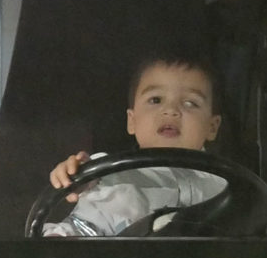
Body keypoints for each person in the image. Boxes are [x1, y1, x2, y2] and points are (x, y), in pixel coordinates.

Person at [43, 55, 226, 237]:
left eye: (190, 103)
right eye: (156, 100)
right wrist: (76, 175)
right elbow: (82, 213)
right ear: (132, 121)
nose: (171, 111)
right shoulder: (108, 172)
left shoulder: (227, 187)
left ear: (212, 127)